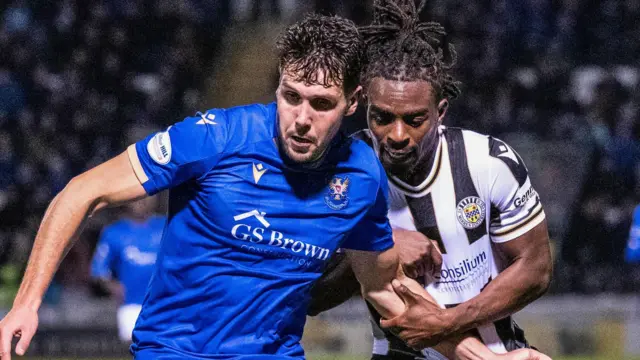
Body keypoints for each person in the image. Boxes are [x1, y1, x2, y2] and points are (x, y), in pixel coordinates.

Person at [0, 13, 511, 360]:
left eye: (321, 103)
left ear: (353, 103)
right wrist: (26, 302)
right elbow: (80, 193)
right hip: (175, 352)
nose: (301, 118)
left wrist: (481, 355)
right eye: (291, 96)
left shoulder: (360, 175)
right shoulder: (214, 137)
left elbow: (381, 290)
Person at [308, 1, 553, 359]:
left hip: (498, 349)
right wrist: (381, 243)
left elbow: (536, 269)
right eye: (382, 117)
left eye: (414, 119)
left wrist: (449, 321)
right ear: (363, 106)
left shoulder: (488, 162)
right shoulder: (340, 171)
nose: (396, 134)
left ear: (440, 112)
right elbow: (312, 295)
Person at [90, 196, 166, 343]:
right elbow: (98, 269)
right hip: (131, 306)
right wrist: (111, 285)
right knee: (134, 351)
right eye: (138, 197)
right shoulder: (114, 232)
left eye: (148, 197)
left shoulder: (166, 226)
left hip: (163, 304)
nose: (142, 201)